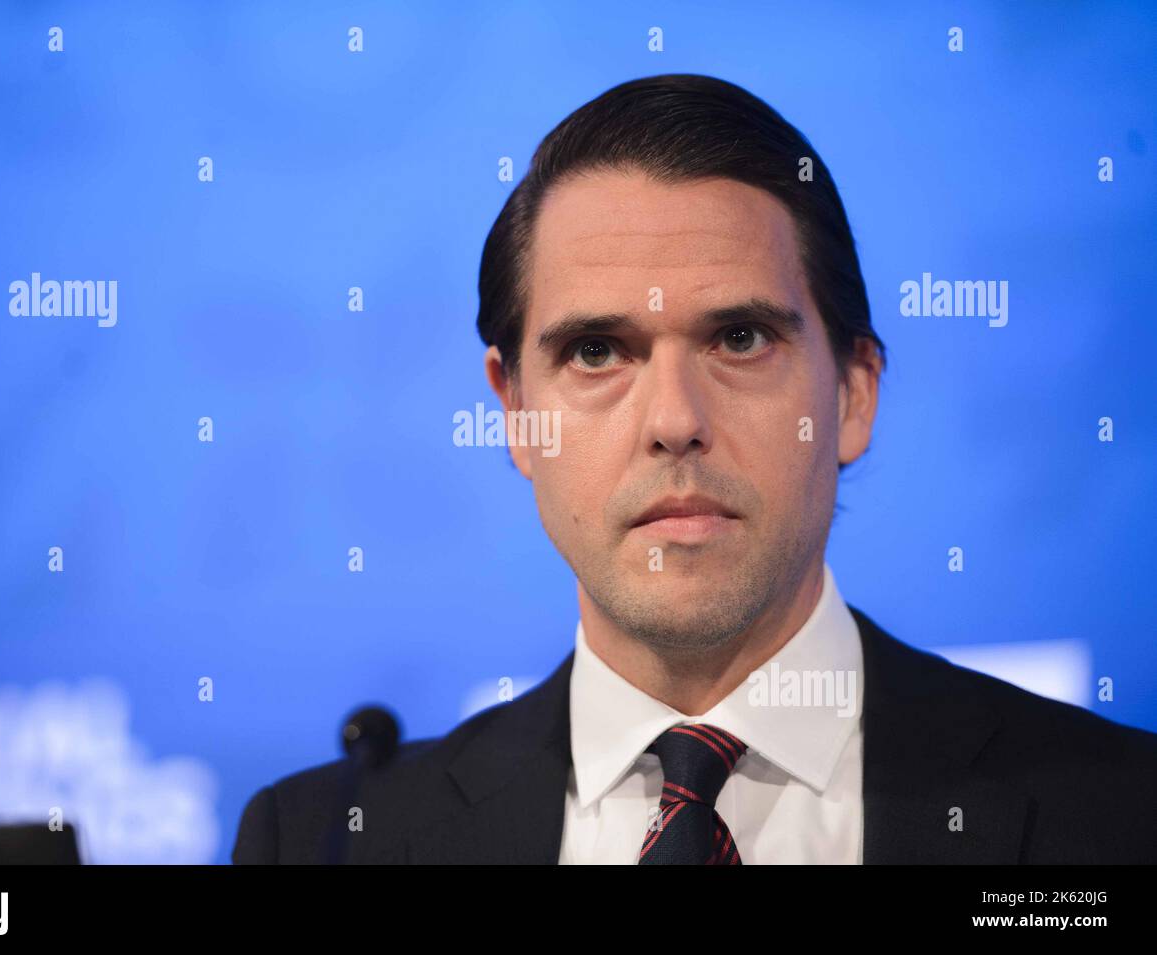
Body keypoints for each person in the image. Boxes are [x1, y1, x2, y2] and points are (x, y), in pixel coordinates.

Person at [233, 74, 1157, 864]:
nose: (675, 421)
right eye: (597, 351)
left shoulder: (1117, 818)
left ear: (856, 393)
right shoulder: (329, 840)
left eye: (741, 337)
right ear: (515, 413)